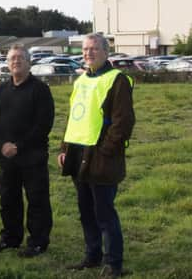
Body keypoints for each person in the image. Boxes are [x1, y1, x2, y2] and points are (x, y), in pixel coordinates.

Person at [57, 33, 135, 278]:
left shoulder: (117, 80)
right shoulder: (80, 81)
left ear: (105, 52)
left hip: (101, 156)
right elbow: (74, 117)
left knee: (104, 212)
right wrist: (64, 149)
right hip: (78, 153)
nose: (88, 53)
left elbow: (123, 122)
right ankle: (92, 255)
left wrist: (106, 150)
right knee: (86, 210)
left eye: (93, 49)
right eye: (85, 49)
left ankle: (114, 263)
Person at [0, 44, 55, 257]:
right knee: (8, 200)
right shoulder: (0, 90)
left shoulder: (40, 89)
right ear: (7, 64)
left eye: (20, 58)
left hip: (32, 157)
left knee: (37, 201)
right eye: (12, 58)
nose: (16, 61)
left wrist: (18, 146)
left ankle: (37, 243)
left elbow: (44, 124)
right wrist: (1, 145)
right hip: (6, 158)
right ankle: (11, 239)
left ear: (28, 62)